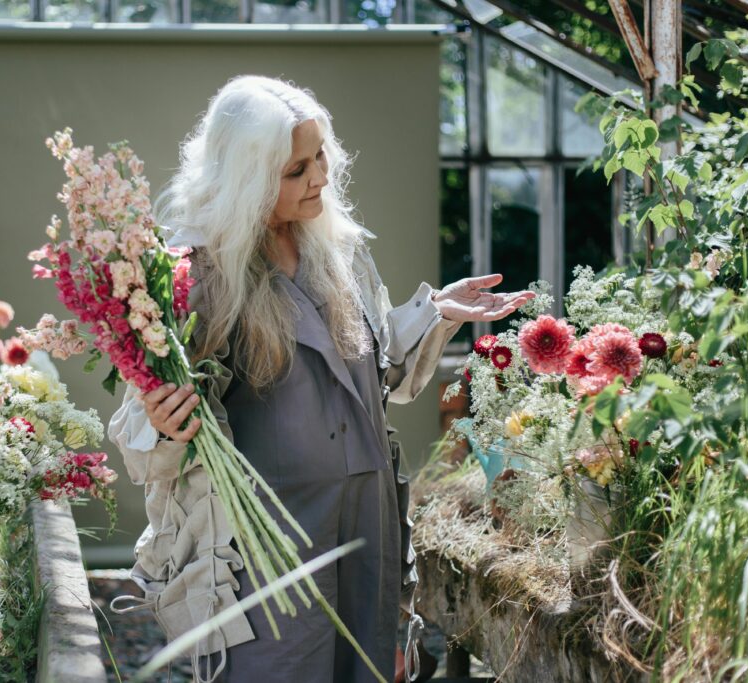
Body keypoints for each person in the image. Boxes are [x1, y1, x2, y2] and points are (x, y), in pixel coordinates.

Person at [108, 74, 534, 683]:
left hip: (367, 516)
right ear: (247, 176)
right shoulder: (197, 273)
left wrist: (435, 309)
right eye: (296, 170)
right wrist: (163, 422)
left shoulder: (336, 248)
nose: (320, 177)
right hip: (268, 539)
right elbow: (142, 429)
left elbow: (373, 371)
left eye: (321, 156)